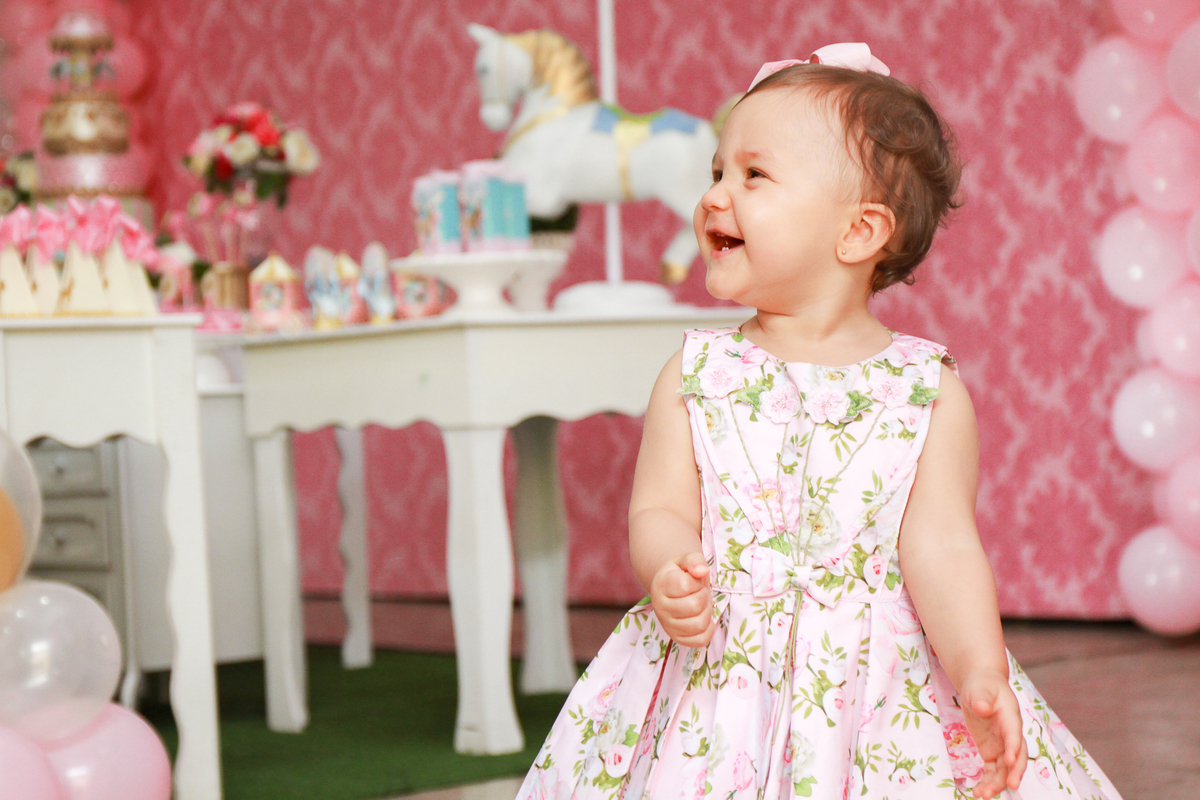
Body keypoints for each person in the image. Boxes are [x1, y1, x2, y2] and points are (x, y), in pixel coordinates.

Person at [515, 44, 1122, 800]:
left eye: (753, 176)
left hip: (872, 692)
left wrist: (978, 668)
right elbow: (659, 508)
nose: (714, 197)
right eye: (716, 172)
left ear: (859, 232)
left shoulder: (924, 392)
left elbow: (942, 546)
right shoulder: (696, 375)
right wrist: (670, 566)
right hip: (722, 681)